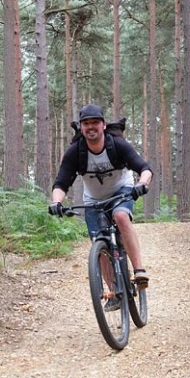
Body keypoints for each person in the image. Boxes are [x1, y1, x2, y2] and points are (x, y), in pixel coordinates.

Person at [49, 104, 153, 292]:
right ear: (81, 128)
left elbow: (144, 168)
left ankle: (139, 271)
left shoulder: (117, 145)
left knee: (121, 216)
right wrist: (56, 202)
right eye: (86, 123)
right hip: (94, 200)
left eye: (95, 122)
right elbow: (61, 183)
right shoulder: (75, 152)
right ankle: (114, 291)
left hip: (122, 191)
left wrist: (141, 184)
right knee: (99, 242)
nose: (91, 127)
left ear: (103, 125)